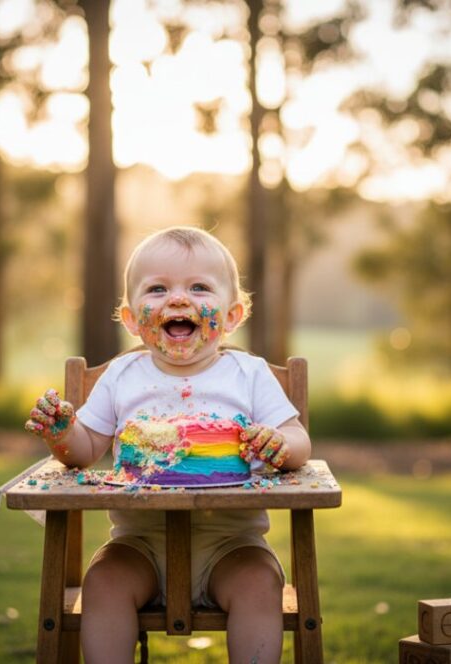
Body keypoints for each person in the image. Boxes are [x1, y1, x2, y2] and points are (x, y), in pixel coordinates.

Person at [25, 226, 311, 663]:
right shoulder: (122, 376)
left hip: (232, 543)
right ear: (132, 319)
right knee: (103, 582)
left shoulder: (248, 374)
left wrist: (279, 444)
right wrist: (62, 431)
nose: (178, 300)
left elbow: (299, 441)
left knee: (260, 583)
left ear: (232, 315)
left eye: (199, 287)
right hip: (139, 543)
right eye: (157, 289)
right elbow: (84, 452)